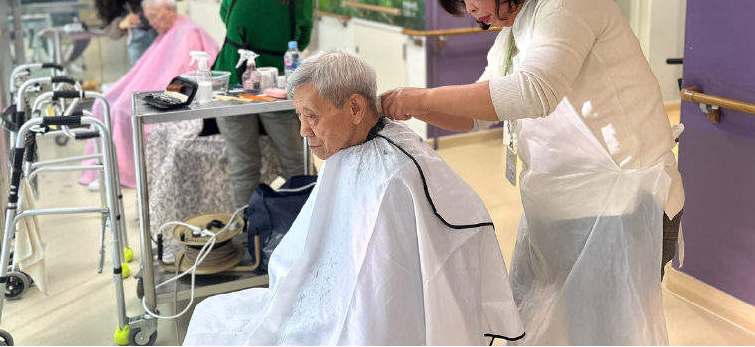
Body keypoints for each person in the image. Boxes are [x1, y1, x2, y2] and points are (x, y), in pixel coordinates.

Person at [380, 0, 684, 345]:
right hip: (567, 204)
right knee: (560, 328)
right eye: (460, 0)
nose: (469, 8)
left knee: (608, 332)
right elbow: (476, 115)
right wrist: (410, 108)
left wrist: (421, 97)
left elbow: (534, 92)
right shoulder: (511, 36)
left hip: (628, 198)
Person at [183, 51, 524, 346]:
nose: (303, 131)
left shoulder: (394, 176)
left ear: (356, 108)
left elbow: (378, 292)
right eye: (299, 116)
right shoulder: (351, 147)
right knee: (212, 316)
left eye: (312, 116)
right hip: (326, 302)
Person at [214, 0, 315, 209]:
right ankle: (301, 224)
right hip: (275, 89)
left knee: (243, 165)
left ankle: (247, 228)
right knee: (296, 163)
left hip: (231, 83)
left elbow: (225, 16)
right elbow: (302, 40)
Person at [80, 0, 218, 190]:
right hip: (151, 86)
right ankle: (103, 168)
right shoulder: (169, 31)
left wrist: (154, 92)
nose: (151, 23)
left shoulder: (188, 34)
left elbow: (181, 76)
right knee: (104, 102)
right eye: (149, 18)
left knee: (121, 110)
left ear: (169, 9)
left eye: (153, 16)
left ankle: (120, 174)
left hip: (170, 93)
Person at [93, 0, 187, 66]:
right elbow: (109, 32)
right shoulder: (113, 3)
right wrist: (121, 24)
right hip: (141, 47)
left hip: (168, 37)